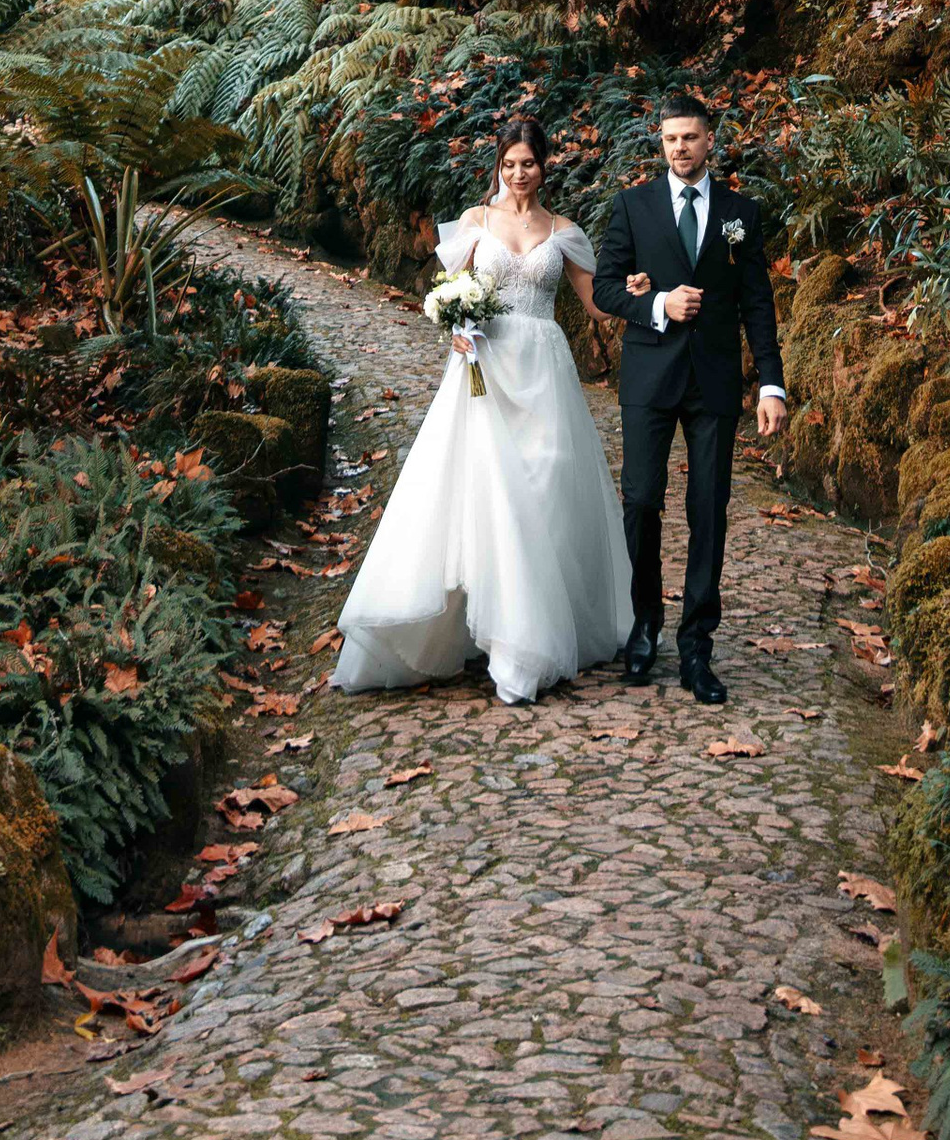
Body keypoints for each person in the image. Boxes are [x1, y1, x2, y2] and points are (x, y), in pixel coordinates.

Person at [332, 114, 635, 710]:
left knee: (545, 482)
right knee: (487, 489)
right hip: (486, 367)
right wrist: (454, 329)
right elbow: (450, 295)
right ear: (498, 167)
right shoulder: (474, 225)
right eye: (509, 164)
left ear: (545, 167)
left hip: (544, 367)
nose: (519, 174)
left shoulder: (565, 231)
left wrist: (637, 294)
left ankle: (535, 631)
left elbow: (596, 304)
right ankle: (497, 637)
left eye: (529, 163)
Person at [592, 91, 786, 704]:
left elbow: (758, 301)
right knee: (641, 503)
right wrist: (656, 305)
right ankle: (644, 625)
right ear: (661, 143)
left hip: (715, 380)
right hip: (650, 377)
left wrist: (771, 384)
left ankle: (698, 645)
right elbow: (603, 288)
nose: (681, 147)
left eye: (691, 137)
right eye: (671, 138)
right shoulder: (632, 207)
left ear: (710, 142)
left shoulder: (741, 213)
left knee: (709, 510)